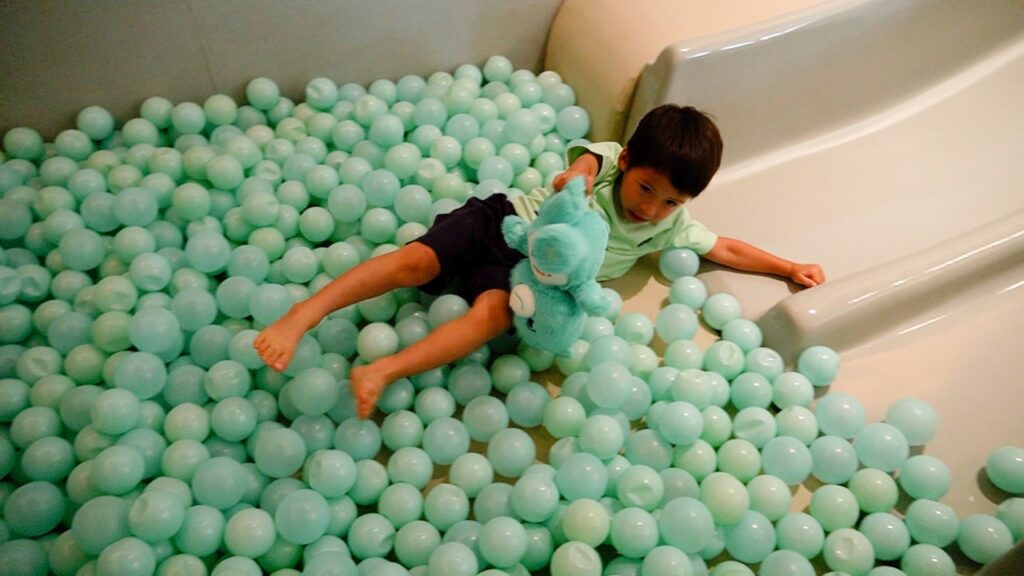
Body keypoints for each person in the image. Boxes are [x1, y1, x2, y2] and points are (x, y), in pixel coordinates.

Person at [254, 104, 825, 418]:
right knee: (416, 263)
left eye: (671, 201)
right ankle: (306, 312)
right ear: (629, 161)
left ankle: (382, 370)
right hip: (502, 221)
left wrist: (786, 267)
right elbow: (583, 165)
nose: (651, 208)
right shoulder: (606, 164)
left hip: (523, 275)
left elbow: (725, 247)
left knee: (490, 317)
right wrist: (574, 178)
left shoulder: (670, 225)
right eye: (647, 188)